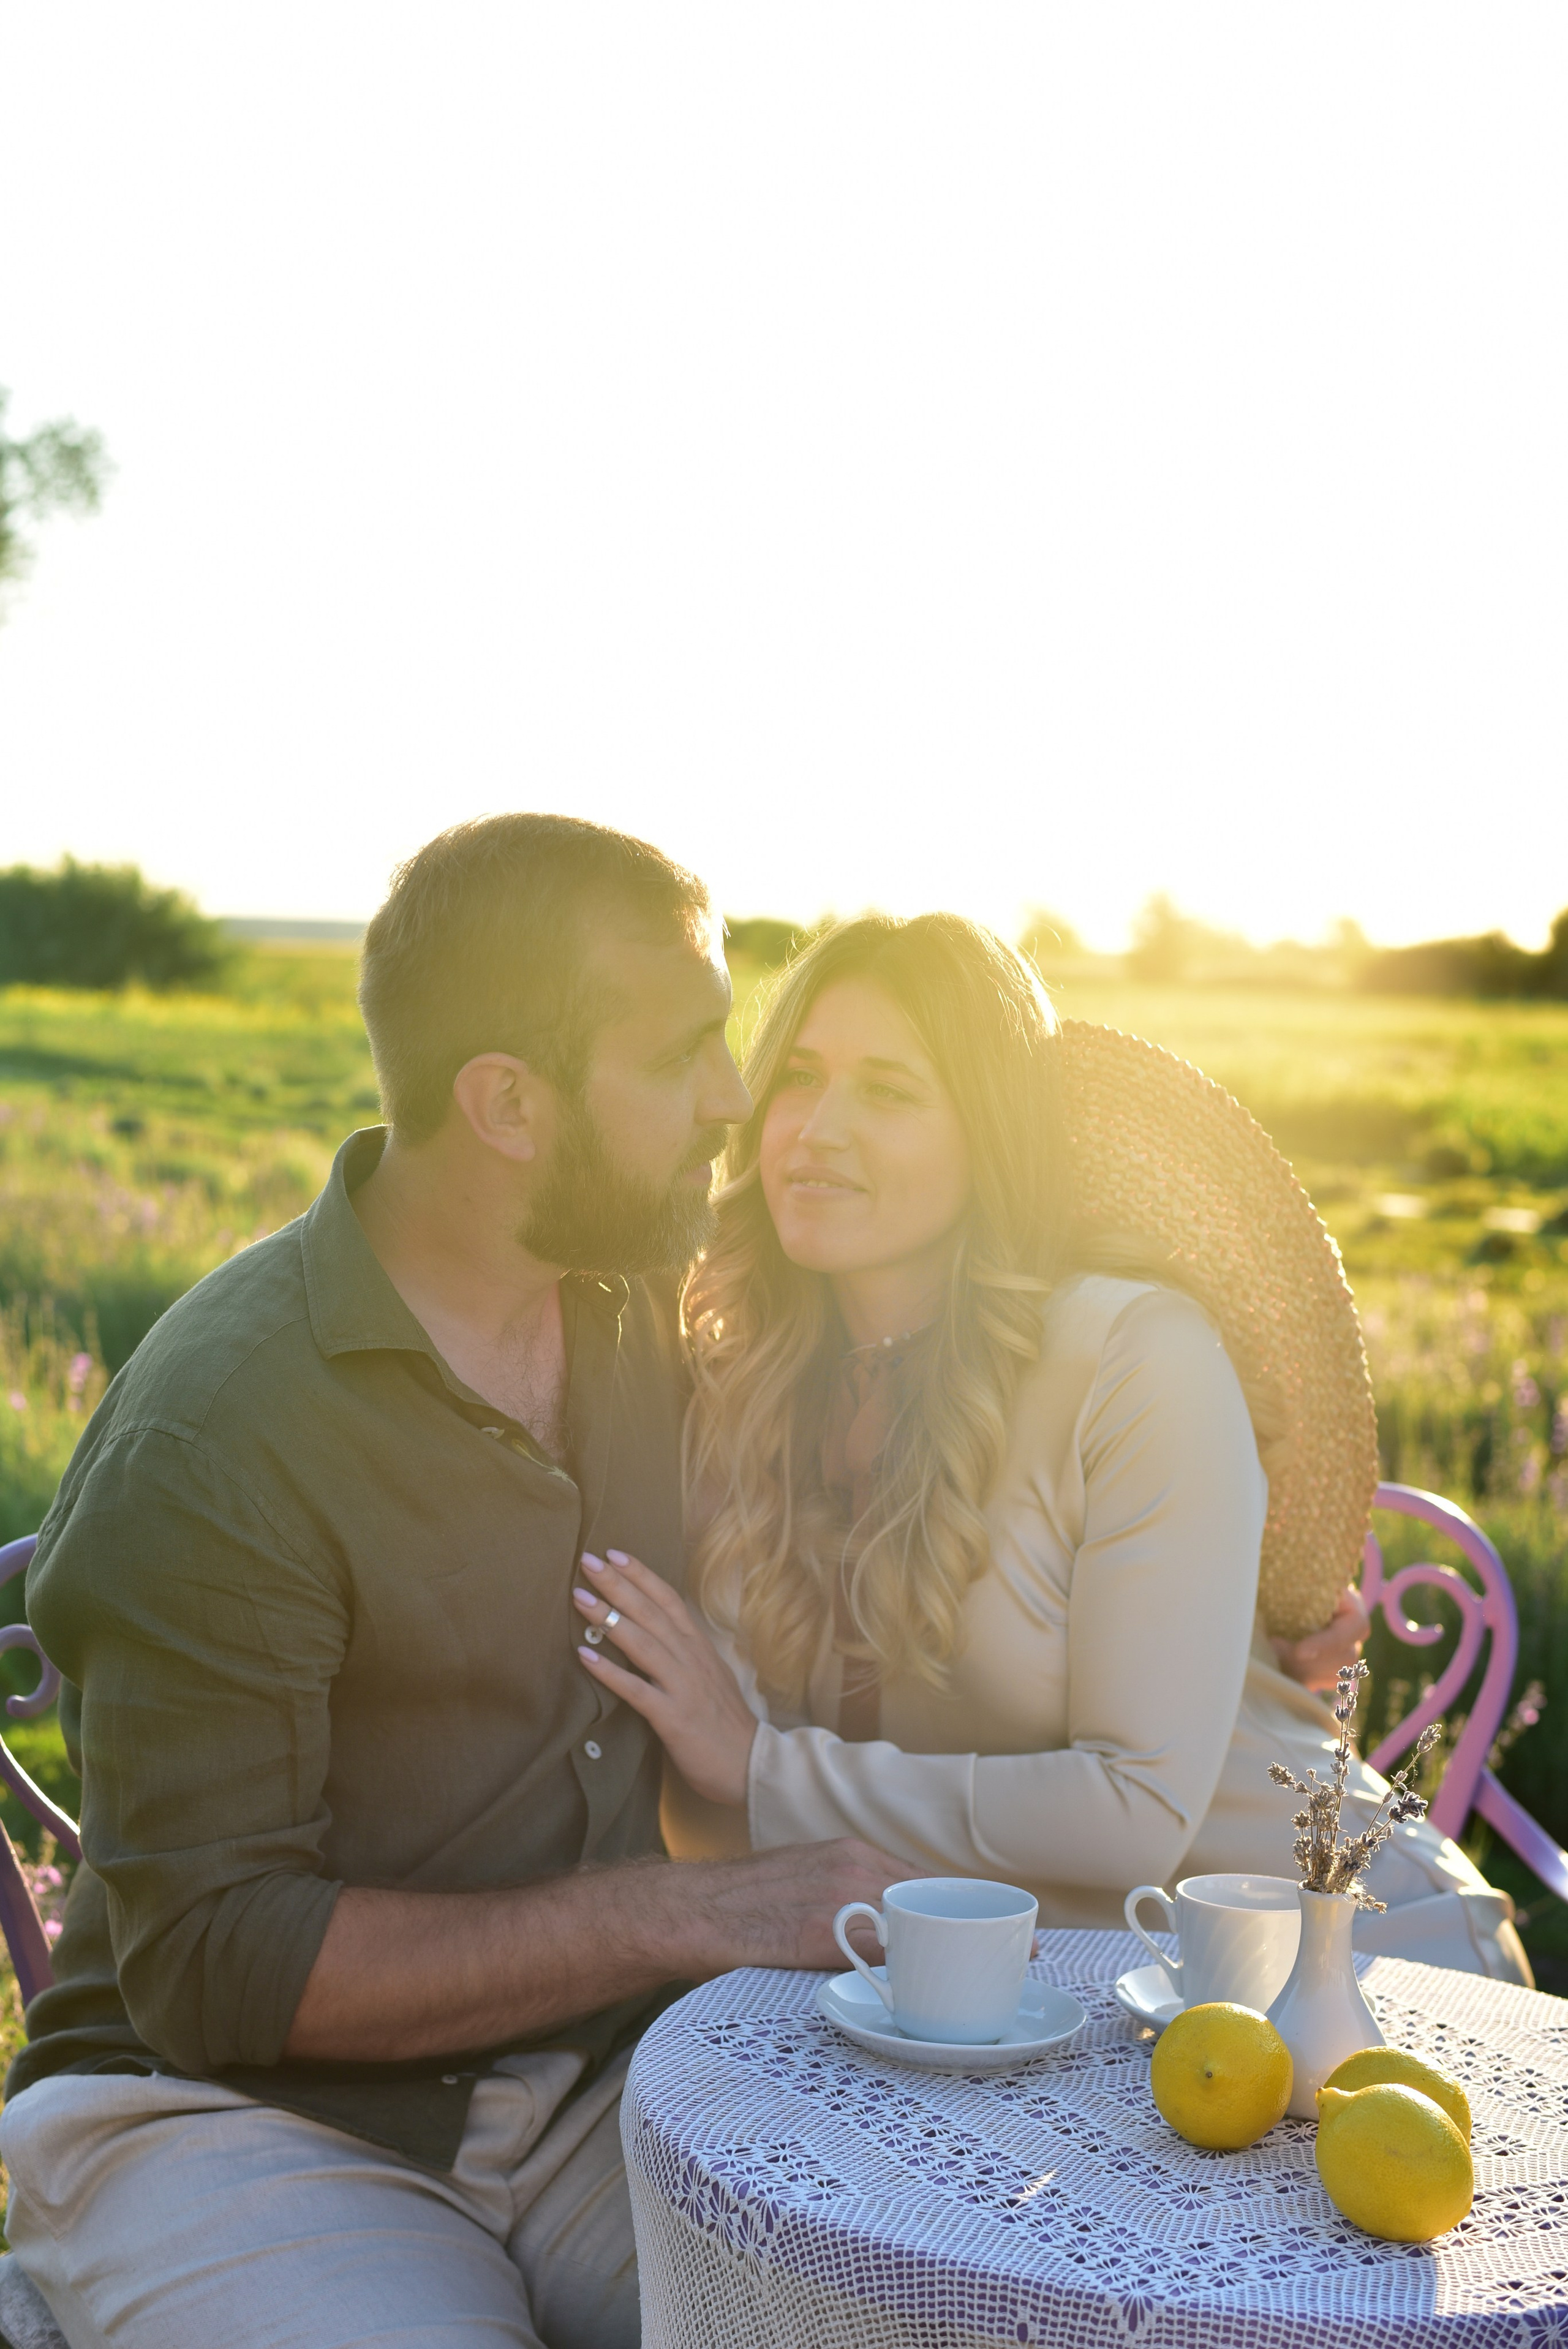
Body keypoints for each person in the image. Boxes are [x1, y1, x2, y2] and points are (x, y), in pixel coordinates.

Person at [0, 816, 901, 2349]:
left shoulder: (633, 1319)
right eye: (683, 1052)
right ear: (506, 1105)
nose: (731, 1101)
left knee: (887, 2314)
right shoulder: (219, 1432)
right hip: (230, 2119)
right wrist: (686, 1913)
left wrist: (1242, 1604)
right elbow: (220, 1968)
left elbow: (927, 1380)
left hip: (594, 2088)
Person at [572, 911, 1529, 1985]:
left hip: (1338, 1963)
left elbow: (1133, 1815)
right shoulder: (736, 1378)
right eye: (798, 1076)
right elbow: (705, 1797)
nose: (818, 1129)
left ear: (991, 1135)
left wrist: (760, 1767)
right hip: (1004, 1984)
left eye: (890, 1091)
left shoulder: (1134, 1357)